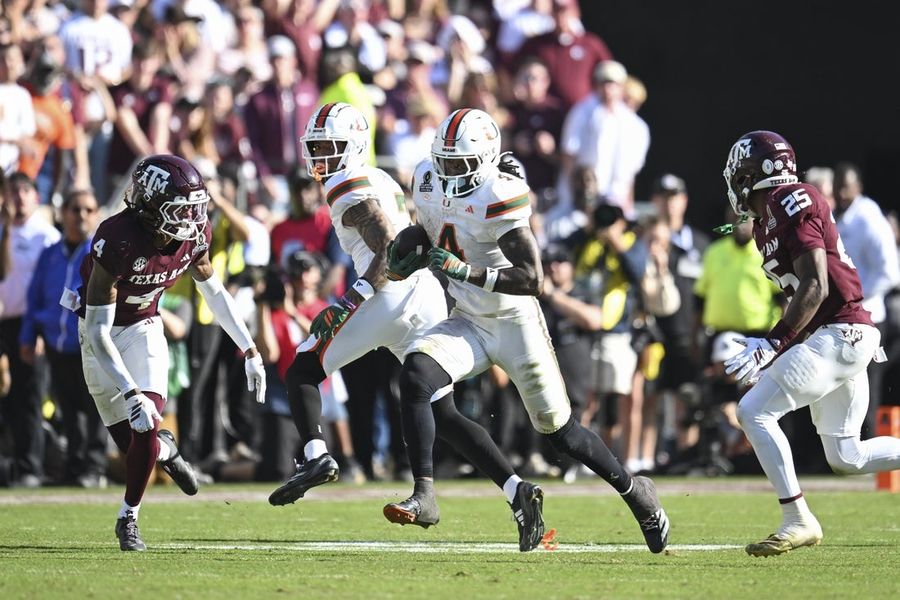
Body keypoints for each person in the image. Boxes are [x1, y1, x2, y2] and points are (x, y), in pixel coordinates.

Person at [384, 108, 669, 554]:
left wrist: (466, 270)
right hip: (468, 318)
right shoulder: (427, 179)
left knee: (561, 432)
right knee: (417, 376)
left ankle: (635, 492)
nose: (449, 172)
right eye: (444, 161)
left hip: (515, 321)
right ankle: (424, 494)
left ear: (485, 160)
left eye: (460, 163)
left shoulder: (500, 193)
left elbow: (533, 279)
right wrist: (409, 248)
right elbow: (430, 230)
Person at [68, 155, 266, 551]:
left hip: (145, 327)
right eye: (179, 208)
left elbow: (215, 294)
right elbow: (97, 329)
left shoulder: (195, 236)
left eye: (194, 207)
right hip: (100, 336)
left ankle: (128, 518)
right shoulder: (117, 237)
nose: (190, 218)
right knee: (139, 447)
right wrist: (128, 390)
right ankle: (167, 449)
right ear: (149, 204)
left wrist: (249, 348)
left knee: (146, 424)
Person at [721, 130, 900, 556]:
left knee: (753, 411)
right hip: (838, 334)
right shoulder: (769, 219)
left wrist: (773, 343)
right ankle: (798, 518)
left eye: (739, 174)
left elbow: (816, 285)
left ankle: (797, 518)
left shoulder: (789, 199)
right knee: (847, 456)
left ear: (752, 175)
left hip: (839, 332)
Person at [265, 102, 447, 506]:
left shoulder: (344, 182)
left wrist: (350, 299)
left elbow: (386, 247)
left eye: (329, 145)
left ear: (354, 145)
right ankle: (512, 485)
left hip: (386, 292)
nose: (319, 155)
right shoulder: (377, 176)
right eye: (315, 145)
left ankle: (317, 455)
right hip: (422, 290)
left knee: (304, 366)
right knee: (443, 408)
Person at [20, 189, 105, 487]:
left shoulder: (101, 254)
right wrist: (29, 335)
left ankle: (93, 468)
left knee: (94, 409)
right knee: (69, 411)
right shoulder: (50, 254)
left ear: (96, 215)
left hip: (90, 346)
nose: (81, 215)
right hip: (57, 345)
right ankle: (73, 466)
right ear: (63, 213)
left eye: (88, 209)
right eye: (75, 209)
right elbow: (35, 298)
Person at [0, 172, 59, 487]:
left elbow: (48, 287)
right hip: (3, 322)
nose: (19, 197)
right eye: (14, 191)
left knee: (30, 398)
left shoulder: (45, 236)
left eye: (25, 190)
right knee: (7, 400)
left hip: (29, 323)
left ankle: (30, 467)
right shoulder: (2, 231)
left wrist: (38, 327)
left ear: (36, 197)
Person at [832, 163, 900, 432]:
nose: (841, 193)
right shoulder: (839, 215)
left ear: (858, 187)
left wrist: (854, 295)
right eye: (837, 187)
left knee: (866, 386)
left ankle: (869, 445)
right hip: (842, 318)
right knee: (841, 387)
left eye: (846, 187)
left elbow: (890, 272)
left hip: (868, 317)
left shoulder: (868, 217)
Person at [559, 60, 649, 217]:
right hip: (580, 202)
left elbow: (629, 174)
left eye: (613, 84)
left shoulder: (635, 125)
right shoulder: (581, 112)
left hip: (615, 203)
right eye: (604, 83)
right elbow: (569, 156)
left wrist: (628, 206)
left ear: (622, 87)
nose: (608, 89)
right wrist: (576, 196)